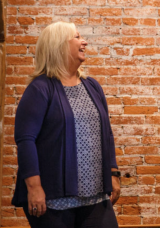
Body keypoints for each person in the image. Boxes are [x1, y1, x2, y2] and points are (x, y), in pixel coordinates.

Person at [11, 22, 120, 228]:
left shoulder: (92, 86)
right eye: (77, 37)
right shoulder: (40, 88)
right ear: (59, 45)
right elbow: (25, 141)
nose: (84, 42)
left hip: (96, 197)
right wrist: (34, 188)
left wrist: (113, 174)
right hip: (53, 201)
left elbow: (106, 135)